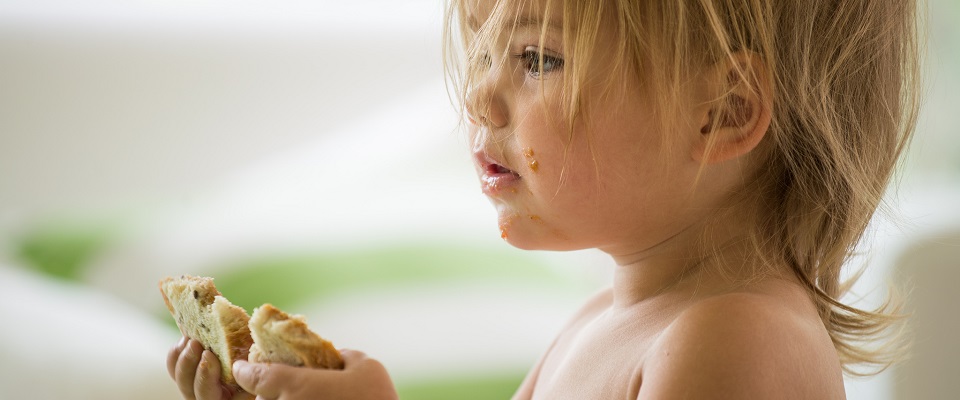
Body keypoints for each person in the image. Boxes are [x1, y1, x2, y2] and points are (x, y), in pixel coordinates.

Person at [166, 0, 922, 398]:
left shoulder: (737, 344)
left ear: (722, 112)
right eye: (485, 52)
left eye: (537, 58)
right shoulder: (603, 321)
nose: (480, 97)